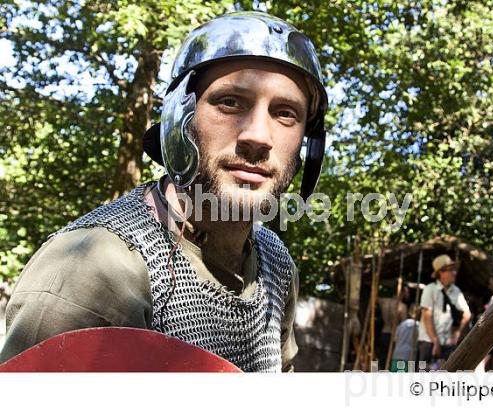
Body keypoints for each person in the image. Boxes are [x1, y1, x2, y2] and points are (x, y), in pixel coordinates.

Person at [0, 11, 329, 373]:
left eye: (285, 113)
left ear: (305, 144)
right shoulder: (96, 268)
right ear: (180, 117)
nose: (258, 137)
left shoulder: (276, 267)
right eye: (230, 102)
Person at [417, 254, 471, 367]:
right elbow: (427, 316)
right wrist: (435, 341)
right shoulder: (430, 289)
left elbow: (467, 314)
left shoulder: (455, 291)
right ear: (441, 272)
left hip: (447, 342)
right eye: (451, 270)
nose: (454, 273)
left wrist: (457, 333)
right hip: (428, 341)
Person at [377, 286, 408, 370]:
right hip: (395, 336)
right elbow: (404, 325)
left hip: (384, 333)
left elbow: (374, 297)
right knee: (391, 360)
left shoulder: (383, 301)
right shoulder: (402, 306)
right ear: (402, 293)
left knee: (383, 359)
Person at [390, 303, 419, 372]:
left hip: (397, 354)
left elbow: (395, 339)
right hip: (409, 356)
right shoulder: (418, 326)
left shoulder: (402, 324)